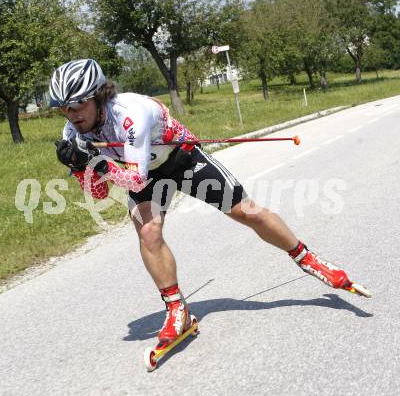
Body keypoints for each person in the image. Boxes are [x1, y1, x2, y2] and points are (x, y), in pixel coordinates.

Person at [50, 59, 366, 346]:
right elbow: (100, 193)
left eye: (79, 104)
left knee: (248, 212)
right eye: (66, 108)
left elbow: (134, 179)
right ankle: (177, 310)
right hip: (143, 174)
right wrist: (80, 167)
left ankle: (307, 258)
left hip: (180, 157)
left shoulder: (130, 115)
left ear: (98, 96)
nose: (73, 114)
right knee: (148, 233)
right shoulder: (71, 133)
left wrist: (97, 164)